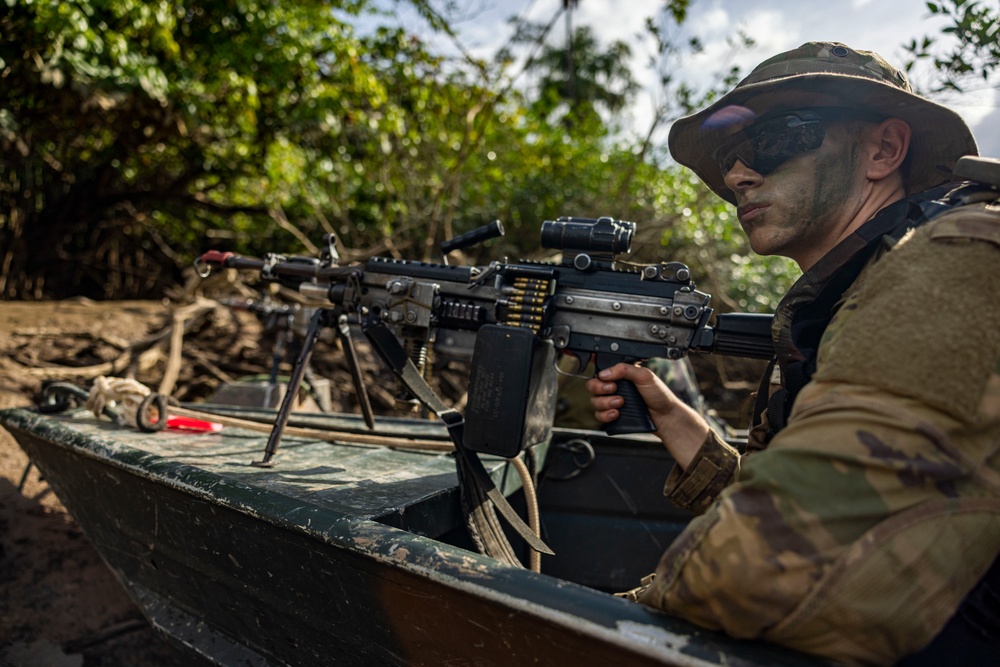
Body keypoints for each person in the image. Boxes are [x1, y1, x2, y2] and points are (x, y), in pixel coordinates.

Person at [587, 42, 1000, 665]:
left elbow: (769, 571)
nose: (737, 175)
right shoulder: (843, 294)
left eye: (773, 140)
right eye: (729, 157)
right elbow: (833, 516)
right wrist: (681, 426)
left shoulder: (957, 260)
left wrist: (591, 612)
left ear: (884, 150)